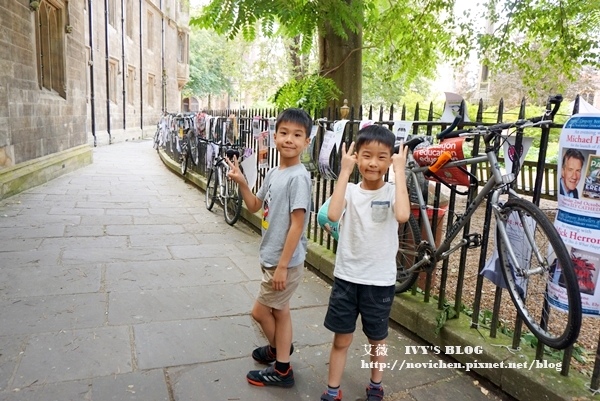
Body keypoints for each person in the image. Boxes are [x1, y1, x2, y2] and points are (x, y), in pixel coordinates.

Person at [319, 125, 410, 401]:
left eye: (382, 157)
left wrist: (400, 172)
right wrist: (344, 172)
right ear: (356, 156)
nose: (373, 163)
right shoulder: (349, 190)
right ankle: (332, 390)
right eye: (367, 155)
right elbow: (332, 215)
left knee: (377, 339)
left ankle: (375, 384)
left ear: (390, 160)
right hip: (347, 278)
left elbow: (403, 215)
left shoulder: (392, 192)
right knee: (341, 338)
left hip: (379, 282)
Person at [226, 108, 313, 388]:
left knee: (260, 312)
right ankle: (280, 351)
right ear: (274, 137)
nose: (289, 139)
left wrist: (283, 267)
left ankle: (282, 365)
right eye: (284, 133)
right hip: (273, 258)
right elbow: (254, 205)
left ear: (306, 142)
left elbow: (297, 225)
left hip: (283, 262)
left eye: (297, 135)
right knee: (280, 310)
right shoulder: (275, 172)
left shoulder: (298, 178)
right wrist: (242, 182)